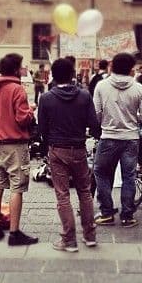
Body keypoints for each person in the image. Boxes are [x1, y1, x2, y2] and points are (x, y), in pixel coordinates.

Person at [38, 57, 101, 252]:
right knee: (85, 192)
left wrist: (48, 145)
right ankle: (90, 236)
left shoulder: (46, 98)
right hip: (79, 149)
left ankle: (69, 239)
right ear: (72, 75)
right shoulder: (84, 96)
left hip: (57, 149)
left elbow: (42, 128)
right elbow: (94, 124)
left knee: (62, 195)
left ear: (53, 76)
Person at [0, 52, 38, 246]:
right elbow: (23, 119)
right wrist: (31, 110)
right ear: (15, 69)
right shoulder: (17, 89)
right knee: (17, 187)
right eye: (21, 66)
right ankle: (14, 233)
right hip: (16, 145)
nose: (23, 70)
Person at [93, 52, 142, 228]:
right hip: (131, 138)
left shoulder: (101, 86)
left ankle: (107, 213)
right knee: (129, 176)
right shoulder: (138, 88)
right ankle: (127, 216)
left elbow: (95, 113)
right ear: (130, 69)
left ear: (112, 66)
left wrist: (105, 122)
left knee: (101, 173)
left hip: (108, 136)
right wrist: (133, 120)